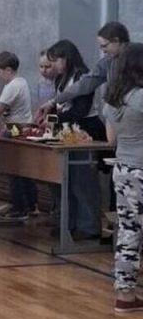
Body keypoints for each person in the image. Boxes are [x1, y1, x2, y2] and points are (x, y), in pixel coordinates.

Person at [40, 39, 103, 239]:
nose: (53, 65)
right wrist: (50, 118)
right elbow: (61, 107)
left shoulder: (82, 77)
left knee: (82, 182)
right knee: (66, 180)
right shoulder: (61, 78)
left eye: (55, 61)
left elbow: (80, 110)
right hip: (67, 130)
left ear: (66, 58)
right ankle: (69, 222)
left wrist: (55, 120)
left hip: (86, 129)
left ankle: (89, 226)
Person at [102, 42, 143, 314]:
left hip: (123, 169)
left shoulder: (112, 99)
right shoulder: (141, 98)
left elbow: (111, 139)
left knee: (128, 230)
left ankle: (125, 294)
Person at [0, 51, 38, 221]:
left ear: (8, 70)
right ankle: (31, 204)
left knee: (14, 168)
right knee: (24, 169)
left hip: (15, 128)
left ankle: (19, 208)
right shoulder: (22, 82)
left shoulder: (12, 86)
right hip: (24, 127)